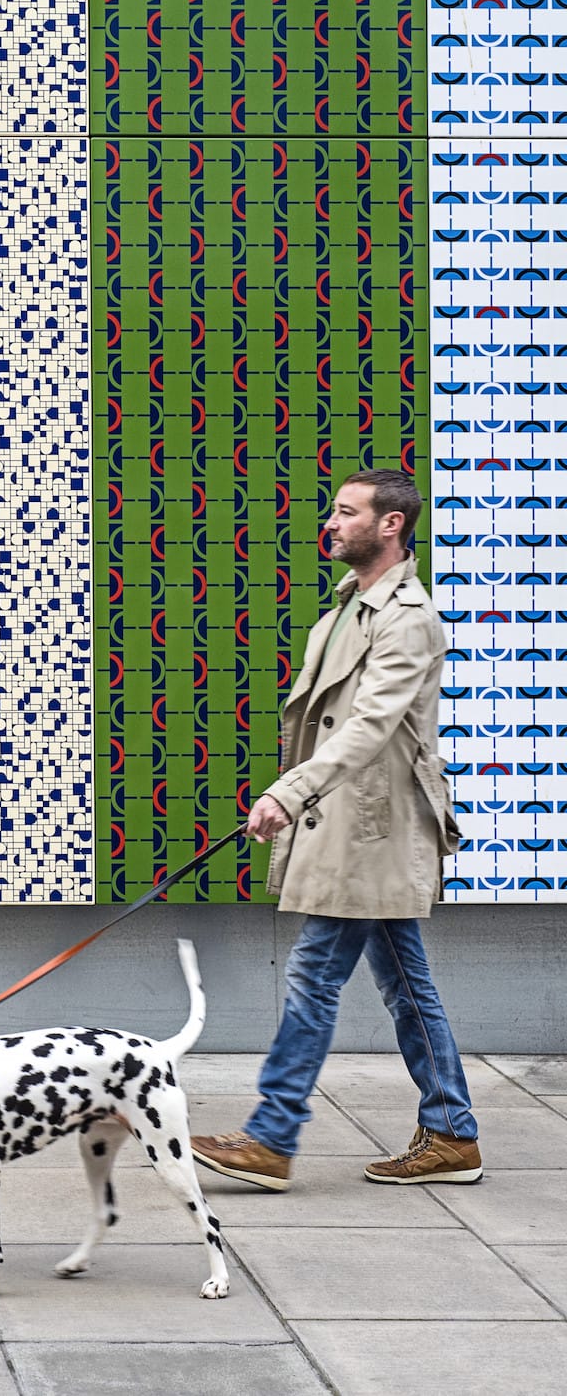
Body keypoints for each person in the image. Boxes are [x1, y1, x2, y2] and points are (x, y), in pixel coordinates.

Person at [190, 469, 481, 1191]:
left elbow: (370, 726)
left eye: (347, 511)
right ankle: (451, 1131)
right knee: (405, 983)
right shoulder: (352, 608)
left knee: (315, 974)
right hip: (353, 823)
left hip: (372, 830)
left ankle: (272, 1136)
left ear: (391, 525)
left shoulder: (406, 617)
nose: (331, 520)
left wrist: (290, 790)